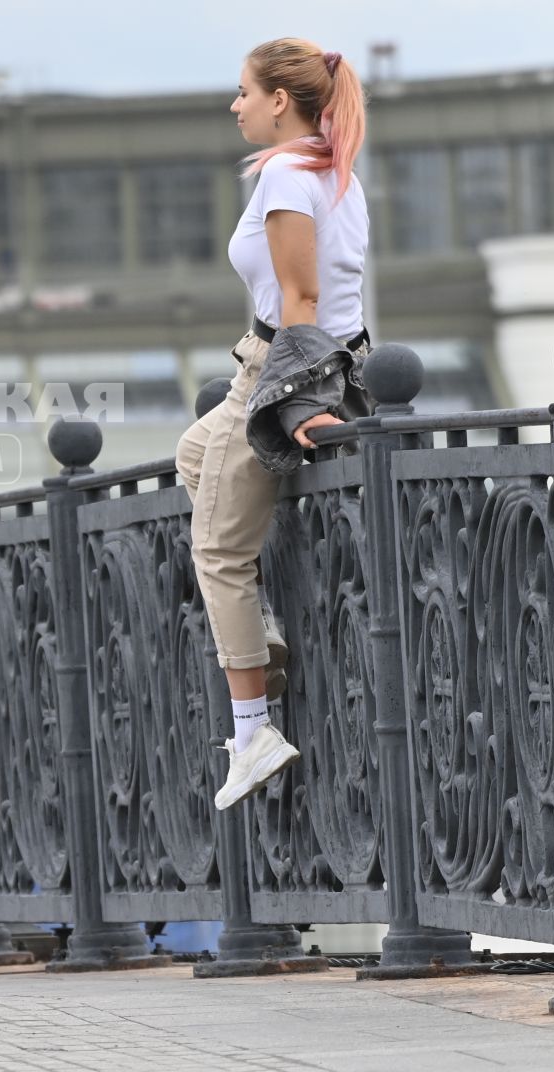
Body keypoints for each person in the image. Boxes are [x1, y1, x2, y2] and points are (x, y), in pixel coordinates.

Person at [175, 40, 373, 811]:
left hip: (277, 370)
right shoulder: (334, 168)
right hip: (279, 366)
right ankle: (262, 628)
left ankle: (253, 729)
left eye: (244, 92)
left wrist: (291, 399)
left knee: (218, 551)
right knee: (194, 456)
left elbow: (301, 297)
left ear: (281, 101)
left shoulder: (290, 174)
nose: (236, 105)